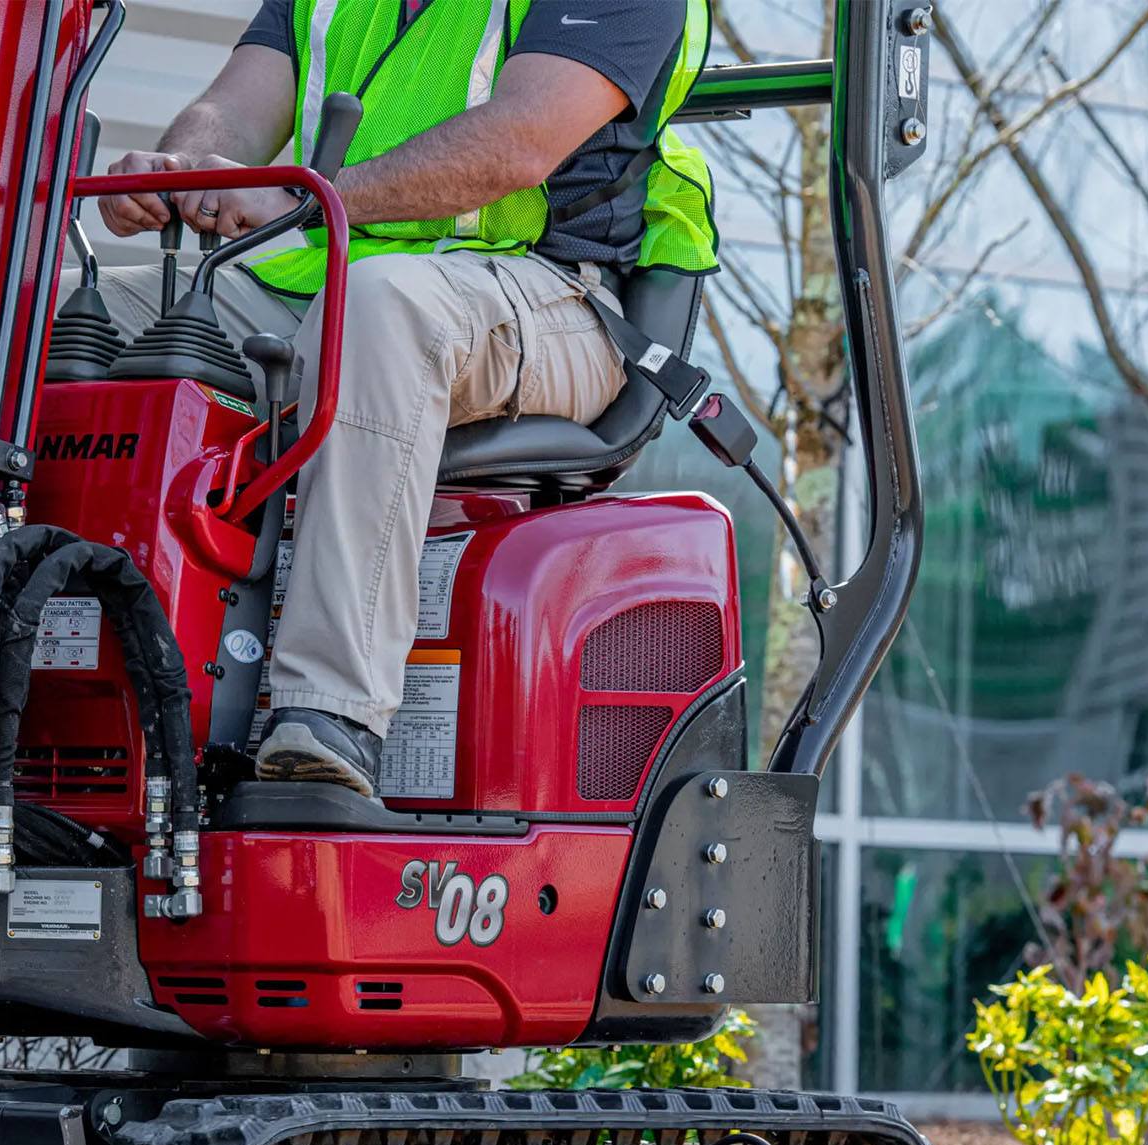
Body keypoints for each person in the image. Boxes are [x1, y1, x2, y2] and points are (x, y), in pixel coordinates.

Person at [92, 0, 715, 798]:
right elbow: (232, 112)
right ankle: (59, 685)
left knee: (382, 307)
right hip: (342, 283)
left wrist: (312, 201)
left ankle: (328, 713)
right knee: (71, 320)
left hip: (554, 297)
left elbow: (519, 143)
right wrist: (180, 171)